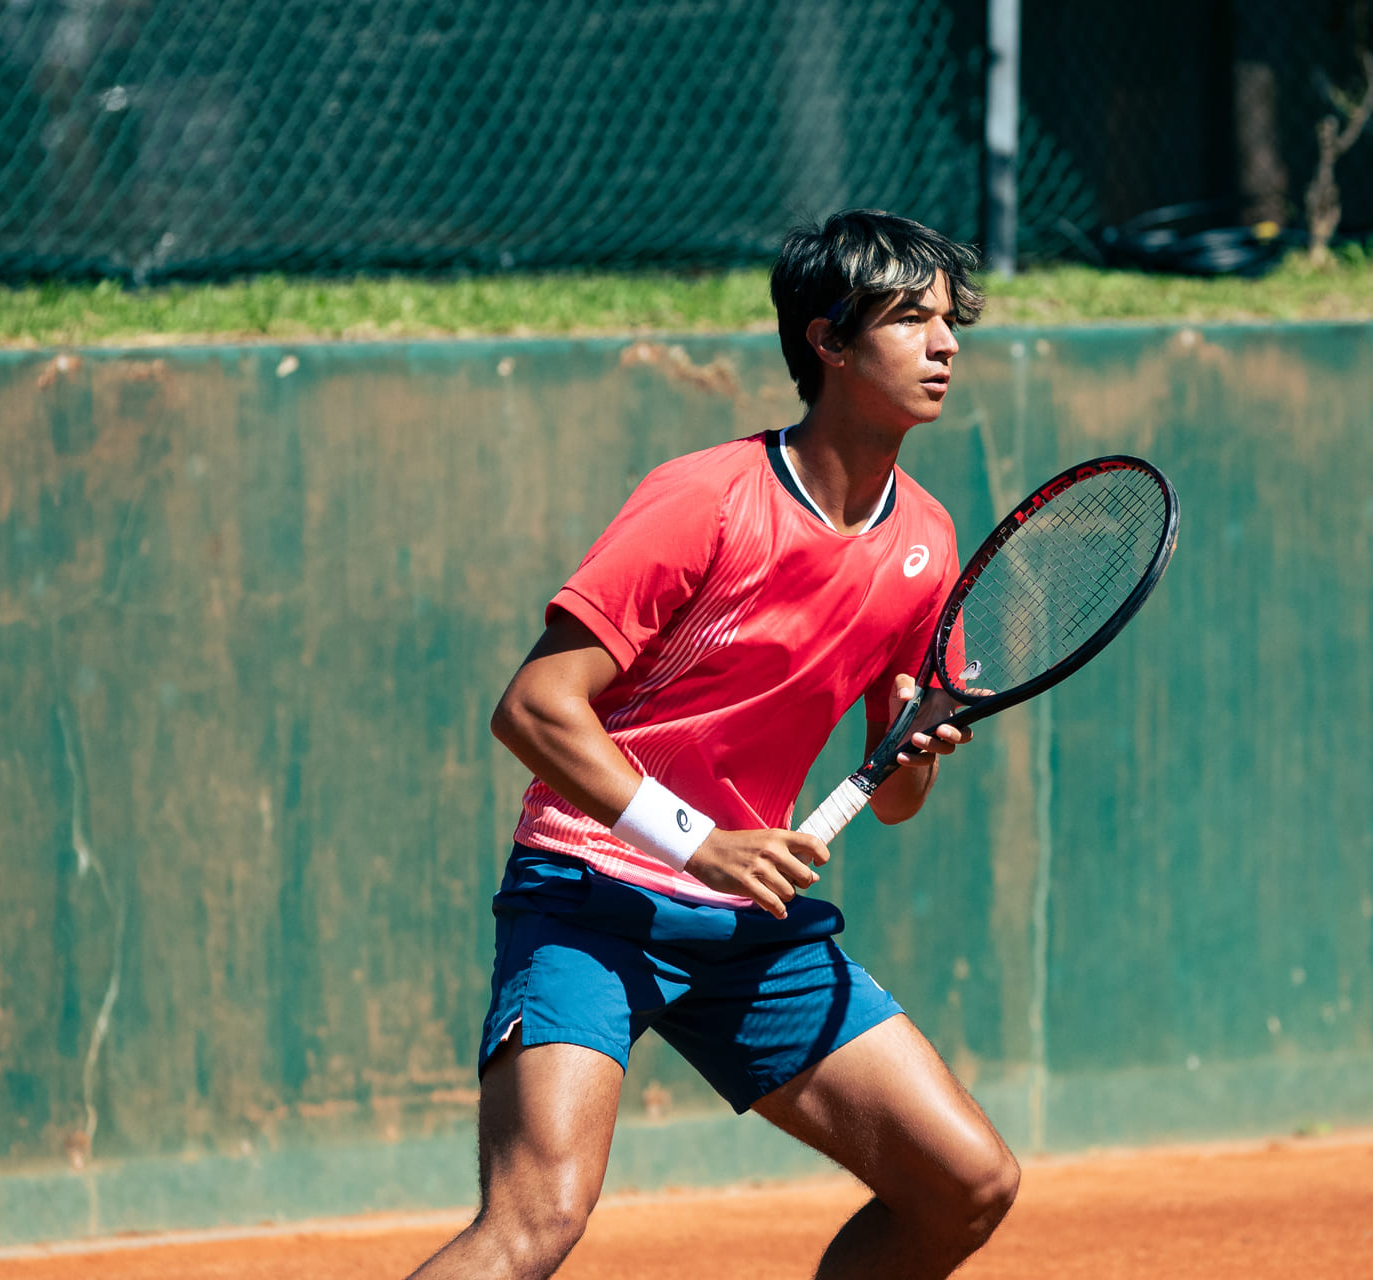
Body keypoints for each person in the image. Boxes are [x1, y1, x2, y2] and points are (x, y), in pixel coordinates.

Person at [407, 210, 1020, 1280]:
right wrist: (696, 842)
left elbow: (895, 796)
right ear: (827, 341)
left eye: (949, 319)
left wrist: (913, 750)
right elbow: (537, 706)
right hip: (591, 893)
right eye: (911, 318)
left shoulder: (926, 541)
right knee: (534, 1218)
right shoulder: (705, 499)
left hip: (745, 926)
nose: (946, 343)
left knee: (966, 1182)